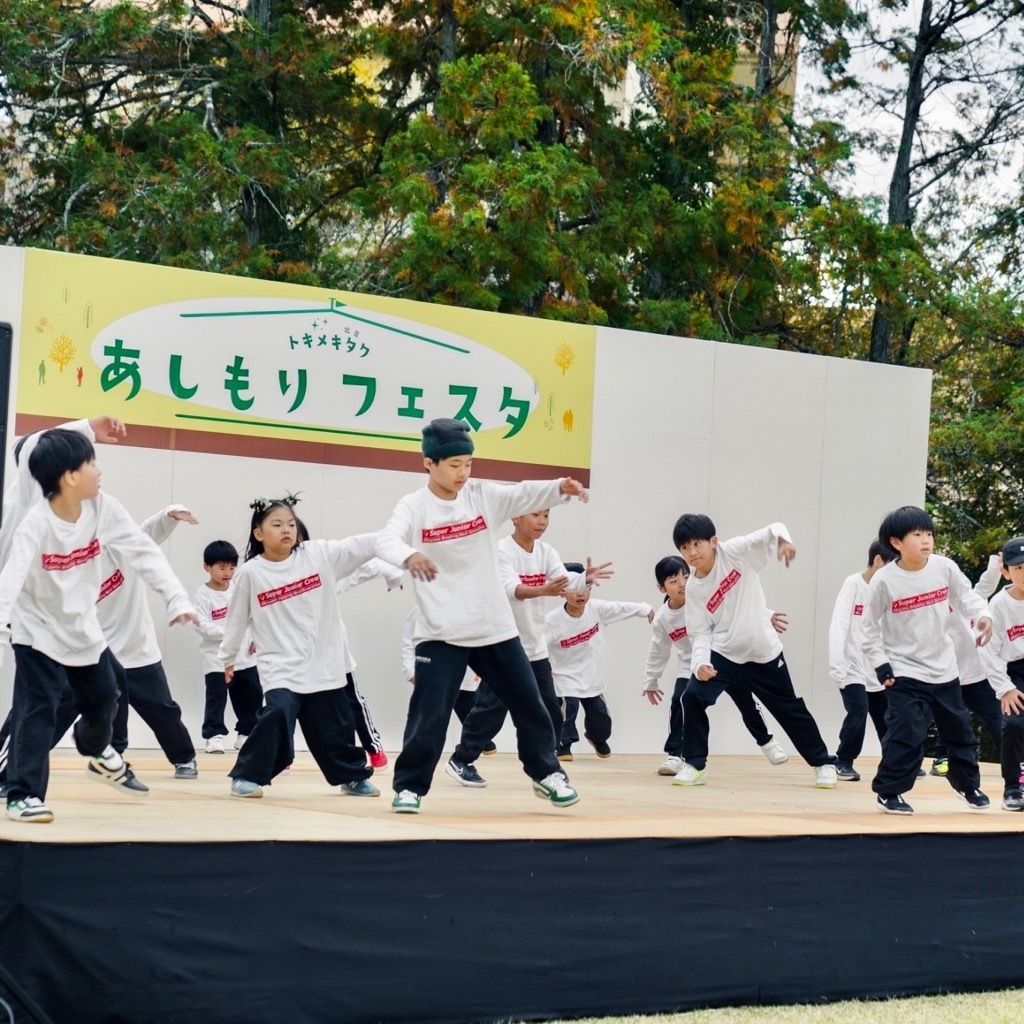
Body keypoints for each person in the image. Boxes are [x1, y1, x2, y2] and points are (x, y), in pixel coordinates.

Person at [375, 417, 586, 813]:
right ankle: (410, 788)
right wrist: (408, 554)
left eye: (468, 463)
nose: (462, 473)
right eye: (454, 464)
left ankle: (546, 775)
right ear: (429, 463)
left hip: (492, 626)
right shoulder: (414, 506)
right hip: (441, 630)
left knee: (530, 704)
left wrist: (560, 488)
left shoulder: (482, 495)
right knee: (430, 714)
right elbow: (386, 538)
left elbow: (523, 493)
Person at [0, 429, 196, 822]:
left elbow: (143, 552)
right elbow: (12, 576)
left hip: (83, 632)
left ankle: (94, 749)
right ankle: (23, 794)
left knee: (107, 693)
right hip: (36, 634)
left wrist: (176, 597)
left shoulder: (104, 509)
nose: (98, 470)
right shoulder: (36, 524)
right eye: (91, 463)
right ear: (69, 476)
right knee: (39, 711)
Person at [220, 498, 381, 799]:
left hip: (324, 662)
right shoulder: (251, 573)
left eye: (291, 524)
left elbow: (359, 545)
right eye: (277, 525)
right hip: (280, 665)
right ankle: (247, 775)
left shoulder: (318, 554)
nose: (287, 530)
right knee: (277, 713)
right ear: (258, 534)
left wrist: (399, 537)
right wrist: (228, 658)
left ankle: (352, 776)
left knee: (335, 724)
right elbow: (236, 621)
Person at [445, 509, 612, 786]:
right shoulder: (501, 551)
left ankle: (545, 769)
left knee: (548, 708)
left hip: (534, 647)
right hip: (502, 643)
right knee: (491, 709)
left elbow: (564, 580)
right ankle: (462, 759)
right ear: (515, 518)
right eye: (535, 515)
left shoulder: (546, 551)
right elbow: (513, 589)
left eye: (546, 515)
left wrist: (584, 579)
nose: (543, 521)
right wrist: (544, 590)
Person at [671, 514, 838, 789]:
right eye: (684, 547)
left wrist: (784, 541)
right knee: (693, 696)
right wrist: (699, 663)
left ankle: (823, 764)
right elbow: (699, 632)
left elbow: (773, 528)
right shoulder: (695, 589)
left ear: (713, 541)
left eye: (696, 544)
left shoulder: (735, 552)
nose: (691, 552)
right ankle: (695, 764)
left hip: (763, 652)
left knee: (790, 709)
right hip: (724, 653)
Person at [862, 505, 993, 814]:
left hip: (945, 670)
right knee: (906, 734)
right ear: (896, 542)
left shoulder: (944, 567)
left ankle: (968, 786)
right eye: (917, 534)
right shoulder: (885, 581)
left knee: (960, 732)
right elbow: (868, 628)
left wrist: (983, 616)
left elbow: (967, 597)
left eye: (930, 534)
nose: (926, 540)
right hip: (905, 671)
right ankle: (889, 792)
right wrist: (880, 664)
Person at [643, 555, 789, 776]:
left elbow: (734, 607)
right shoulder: (662, 618)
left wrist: (766, 615)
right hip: (690, 664)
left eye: (685, 576)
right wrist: (651, 680)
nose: (682, 584)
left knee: (746, 701)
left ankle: (767, 742)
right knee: (680, 700)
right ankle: (675, 755)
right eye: (673, 581)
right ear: (661, 587)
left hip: (723, 657)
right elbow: (658, 650)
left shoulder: (702, 596)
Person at [96, 502, 202, 779]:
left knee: (162, 710)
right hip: (99, 656)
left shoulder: (122, 549)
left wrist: (168, 514)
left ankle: (184, 758)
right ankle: (112, 758)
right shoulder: (73, 568)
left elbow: (147, 532)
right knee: (78, 709)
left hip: (138, 651)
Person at [545, 571, 653, 758]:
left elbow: (621, 608)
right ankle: (563, 745)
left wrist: (645, 609)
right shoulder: (552, 620)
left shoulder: (597, 609)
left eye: (585, 589)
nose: (580, 594)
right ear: (562, 591)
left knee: (601, 719)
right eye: (574, 589)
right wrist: (544, 668)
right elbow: (537, 645)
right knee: (566, 711)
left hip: (591, 675)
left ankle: (598, 738)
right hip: (564, 676)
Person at [930, 553, 1004, 776]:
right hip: (949, 674)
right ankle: (942, 759)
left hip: (978, 674)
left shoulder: (967, 599)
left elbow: (985, 587)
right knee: (952, 720)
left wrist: (995, 564)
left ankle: (1015, 760)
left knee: (998, 719)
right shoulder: (931, 605)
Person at [828, 540, 897, 781]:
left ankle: (896, 762)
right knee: (859, 710)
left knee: (886, 717)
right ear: (878, 561)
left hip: (876, 666)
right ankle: (844, 761)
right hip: (850, 666)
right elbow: (839, 624)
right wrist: (837, 665)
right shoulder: (853, 585)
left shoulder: (887, 589)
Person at [193, 540, 264, 754]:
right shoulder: (203, 594)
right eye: (222, 567)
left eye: (232, 567)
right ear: (207, 567)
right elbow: (201, 625)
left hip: (244, 656)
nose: (228, 573)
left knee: (251, 695)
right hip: (217, 658)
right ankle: (213, 736)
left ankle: (246, 734)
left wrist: (256, 637)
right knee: (217, 698)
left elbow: (254, 614)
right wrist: (230, 634)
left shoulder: (239, 588)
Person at [978, 537, 1024, 811]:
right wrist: (1004, 688)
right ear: (1005, 571)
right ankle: (1012, 788)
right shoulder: (998, 605)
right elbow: (987, 651)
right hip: (1013, 670)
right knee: (1015, 725)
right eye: (1018, 568)